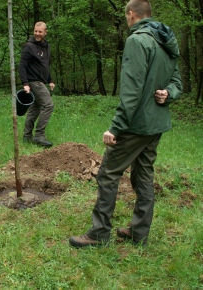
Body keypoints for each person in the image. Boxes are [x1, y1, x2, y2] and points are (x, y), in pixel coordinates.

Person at [69, 0, 182, 247]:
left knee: (108, 174)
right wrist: (169, 93)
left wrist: (116, 128)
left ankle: (99, 234)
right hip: (157, 124)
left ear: (131, 15)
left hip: (137, 125)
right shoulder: (166, 40)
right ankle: (139, 232)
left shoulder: (137, 41)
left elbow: (132, 91)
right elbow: (176, 82)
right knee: (143, 175)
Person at [19, 21, 55, 148]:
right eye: (35, 31)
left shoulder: (46, 46)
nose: (37, 34)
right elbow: (22, 66)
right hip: (33, 82)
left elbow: (45, 65)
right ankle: (39, 135)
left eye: (40, 32)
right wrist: (25, 83)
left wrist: (50, 80)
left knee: (35, 108)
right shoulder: (29, 47)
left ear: (45, 32)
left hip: (41, 81)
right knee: (48, 105)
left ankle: (27, 136)